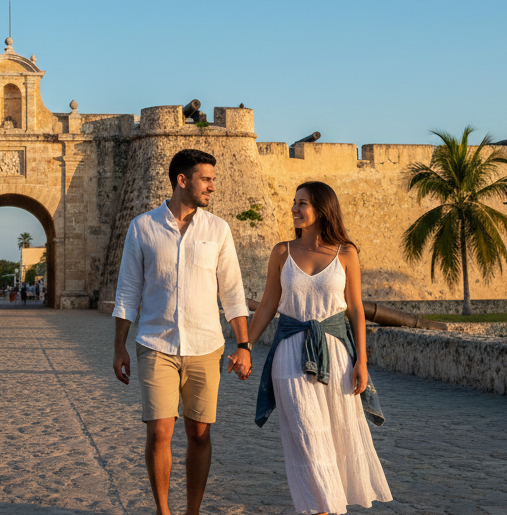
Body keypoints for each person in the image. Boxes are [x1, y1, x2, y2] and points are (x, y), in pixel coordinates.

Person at [112, 149, 252, 515]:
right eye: (206, 179)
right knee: (159, 432)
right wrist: (119, 346)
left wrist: (244, 344)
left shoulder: (217, 229)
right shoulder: (142, 227)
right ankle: (164, 511)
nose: (213, 187)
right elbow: (127, 291)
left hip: (206, 346)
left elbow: (233, 293)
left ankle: (192, 511)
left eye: (213, 180)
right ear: (182, 180)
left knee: (199, 434)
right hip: (156, 344)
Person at [247, 181, 392, 515]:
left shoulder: (347, 253)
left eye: (303, 204)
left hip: (337, 357)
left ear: (322, 209)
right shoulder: (281, 252)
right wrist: (246, 345)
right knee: (307, 438)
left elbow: (354, 308)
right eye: (294, 203)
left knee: (335, 439)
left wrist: (362, 363)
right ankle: (324, 509)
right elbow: (270, 303)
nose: (295, 209)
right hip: (289, 355)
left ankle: (321, 508)